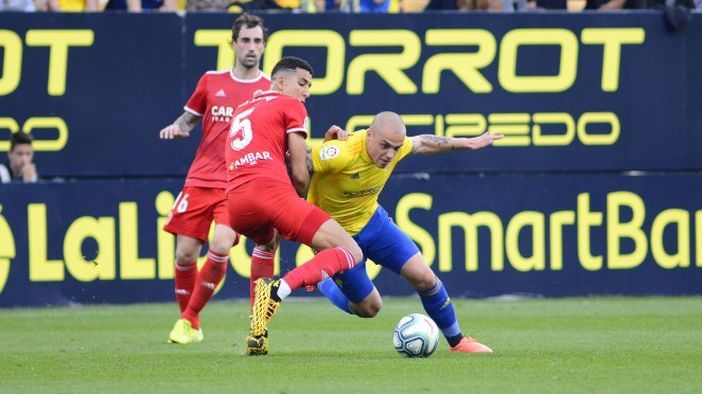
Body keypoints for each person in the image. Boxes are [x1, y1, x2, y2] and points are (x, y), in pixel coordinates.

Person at [309, 112, 502, 353]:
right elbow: (299, 164)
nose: (390, 154)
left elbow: (422, 142)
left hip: (372, 222)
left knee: (425, 278)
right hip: (335, 237)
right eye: (384, 146)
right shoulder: (341, 153)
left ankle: (458, 341)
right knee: (369, 308)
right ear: (369, 135)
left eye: (395, 148)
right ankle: (324, 281)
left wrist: (467, 142)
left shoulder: (397, 148)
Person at [225, 56, 363, 356]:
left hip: (235, 204)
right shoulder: (292, 106)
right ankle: (280, 289)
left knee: (267, 241)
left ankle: (257, 331)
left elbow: (270, 154)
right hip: (271, 194)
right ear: (280, 82)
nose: (307, 92)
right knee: (351, 252)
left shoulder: (242, 109)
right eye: (302, 83)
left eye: (310, 86)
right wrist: (298, 202)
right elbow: (300, 172)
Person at [159, 14, 271, 345]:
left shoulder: (268, 90)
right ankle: (192, 326)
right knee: (185, 254)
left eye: (257, 41)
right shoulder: (211, 81)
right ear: (233, 44)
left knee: (221, 245)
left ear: (264, 45)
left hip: (238, 183)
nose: (251, 47)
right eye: (246, 40)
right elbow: (188, 120)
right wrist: (177, 128)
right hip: (200, 179)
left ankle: (187, 318)